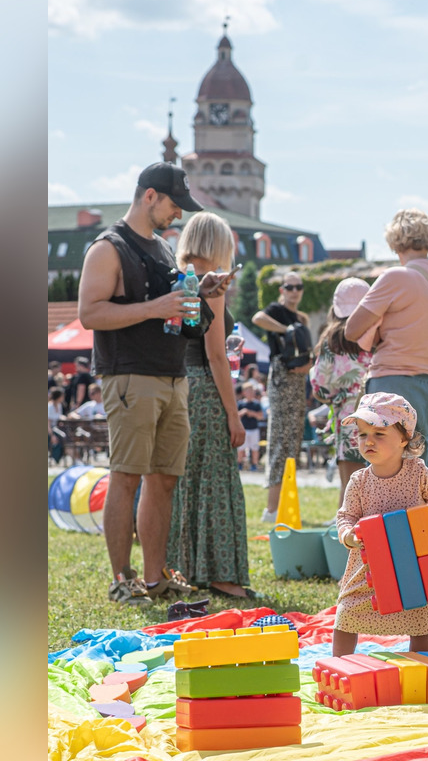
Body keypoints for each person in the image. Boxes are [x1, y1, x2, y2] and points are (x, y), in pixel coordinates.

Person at [78, 161, 234, 605]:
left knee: (164, 479)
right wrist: (155, 307)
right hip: (129, 374)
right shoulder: (108, 248)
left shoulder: (165, 250)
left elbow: (174, 306)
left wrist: (199, 291)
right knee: (126, 477)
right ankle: (122, 578)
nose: (178, 216)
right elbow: (90, 313)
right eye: (173, 204)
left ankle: (154, 577)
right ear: (149, 196)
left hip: (173, 376)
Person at [332, 393, 428, 656]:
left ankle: (424, 666)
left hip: (413, 562)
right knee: (347, 614)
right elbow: (345, 516)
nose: (368, 440)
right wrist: (348, 535)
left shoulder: (417, 472)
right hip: (369, 565)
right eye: (362, 434)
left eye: (379, 433)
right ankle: (340, 664)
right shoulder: (359, 480)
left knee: (420, 617)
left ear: (404, 438)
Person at [166, 212, 255, 600]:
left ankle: (182, 565)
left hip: (173, 385)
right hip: (204, 389)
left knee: (181, 481)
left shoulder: (175, 275)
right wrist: (234, 416)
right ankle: (220, 574)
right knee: (215, 480)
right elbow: (216, 355)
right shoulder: (214, 284)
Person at [345, 209, 428, 464]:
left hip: (394, 379)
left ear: (395, 239)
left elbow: (352, 330)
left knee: (383, 469)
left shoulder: (396, 276)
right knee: (415, 469)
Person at [252, 271, 312, 523]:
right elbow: (257, 318)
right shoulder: (277, 310)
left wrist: (308, 364)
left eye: (298, 286)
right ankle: (271, 509)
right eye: (289, 286)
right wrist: (287, 329)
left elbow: (306, 349)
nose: (294, 291)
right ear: (282, 289)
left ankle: (284, 505)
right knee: (278, 440)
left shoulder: (302, 317)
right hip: (280, 376)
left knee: (292, 443)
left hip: (298, 379)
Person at [310, 278, 374, 507]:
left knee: (350, 487)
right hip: (380, 416)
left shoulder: (333, 340)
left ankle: (346, 539)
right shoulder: (379, 334)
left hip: (349, 416)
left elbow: (320, 386)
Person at [237, 384, 264, 472]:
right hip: (243, 429)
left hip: (254, 429)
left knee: (254, 448)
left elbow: (260, 416)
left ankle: (254, 464)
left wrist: (251, 413)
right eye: (248, 391)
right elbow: (236, 416)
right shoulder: (240, 404)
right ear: (244, 392)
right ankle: (239, 464)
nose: (250, 393)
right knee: (241, 448)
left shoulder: (256, 404)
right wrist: (243, 412)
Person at [48, 387, 66, 464]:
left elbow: (59, 417)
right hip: (49, 430)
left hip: (57, 428)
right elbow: (47, 423)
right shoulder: (49, 407)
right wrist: (52, 435)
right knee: (63, 437)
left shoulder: (59, 405)